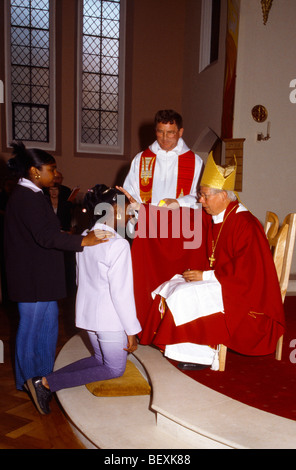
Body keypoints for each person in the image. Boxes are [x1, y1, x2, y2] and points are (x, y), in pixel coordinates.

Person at [140, 152, 285, 370]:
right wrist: (143, 211)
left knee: (183, 293)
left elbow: (248, 271)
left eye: (205, 195)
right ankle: (182, 347)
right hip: (226, 281)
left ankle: (201, 355)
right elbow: (184, 220)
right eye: (201, 194)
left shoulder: (245, 224)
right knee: (172, 285)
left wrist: (206, 276)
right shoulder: (219, 217)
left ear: (224, 196)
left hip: (246, 294)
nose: (200, 200)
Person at [4, 142, 111, 393]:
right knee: (31, 330)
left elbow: (44, 233)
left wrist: (67, 235)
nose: (55, 175)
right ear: (34, 171)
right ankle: (27, 381)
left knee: (48, 327)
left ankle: (44, 377)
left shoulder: (32, 194)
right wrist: (84, 240)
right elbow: (44, 237)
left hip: (42, 276)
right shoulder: (25, 196)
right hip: (32, 278)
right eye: (51, 170)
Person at [25, 185, 142, 414]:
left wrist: (132, 202)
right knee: (114, 369)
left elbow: (80, 279)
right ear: (114, 210)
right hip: (110, 319)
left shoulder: (84, 238)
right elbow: (121, 293)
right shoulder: (117, 244)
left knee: (101, 360)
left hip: (89, 314)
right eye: (127, 209)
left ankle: (43, 381)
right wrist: (131, 330)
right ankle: (46, 383)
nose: (129, 214)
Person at [123, 109, 203, 208]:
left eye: (170, 132)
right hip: (146, 219)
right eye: (160, 132)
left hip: (180, 220)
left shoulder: (195, 162)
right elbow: (130, 190)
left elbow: (201, 196)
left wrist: (179, 202)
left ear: (180, 132)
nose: (165, 138)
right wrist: (136, 206)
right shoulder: (141, 159)